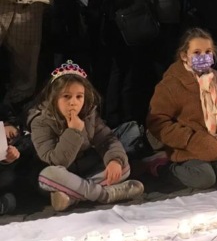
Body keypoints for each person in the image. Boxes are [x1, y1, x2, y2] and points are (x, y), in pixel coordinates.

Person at [27, 61, 144, 211]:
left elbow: (107, 140)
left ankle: (71, 197)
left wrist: (114, 160)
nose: (73, 103)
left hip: (85, 171)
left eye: (79, 97)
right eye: (66, 96)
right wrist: (74, 131)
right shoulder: (41, 121)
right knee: (48, 174)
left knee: (123, 166)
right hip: (59, 176)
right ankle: (105, 194)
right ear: (54, 97)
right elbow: (56, 161)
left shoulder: (89, 114)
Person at [146, 28, 217, 189]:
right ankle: (163, 168)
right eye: (196, 52)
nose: (203, 56)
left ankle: (211, 161)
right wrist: (192, 140)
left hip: (216, 144)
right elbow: (157, 121)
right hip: (187, 147)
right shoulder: (172, 84)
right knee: (204, 178)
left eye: (208, 51)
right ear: (184, 55)